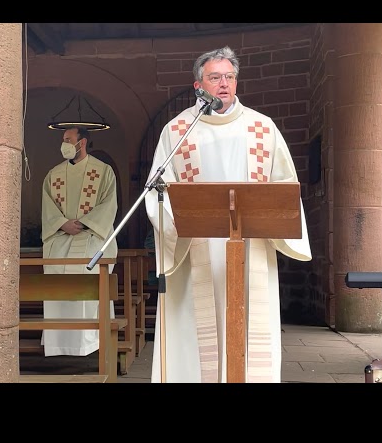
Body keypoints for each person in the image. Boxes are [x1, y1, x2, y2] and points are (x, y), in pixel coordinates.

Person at [144, 46, 312, 383]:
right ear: (198, 85)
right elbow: (158, 190)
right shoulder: (177, 132)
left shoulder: (262, 129)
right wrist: (178, 223)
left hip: (251, 249)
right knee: (197, 334)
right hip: (196, 250)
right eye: (215, 77)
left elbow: (285, 187)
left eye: (230, 77)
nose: (224, 84)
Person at [40, 126, 118, 357]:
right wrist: (62, 223)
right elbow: (47, 207)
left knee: (90, 291)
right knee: (58, 293)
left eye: (68, 139)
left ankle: (93, 346)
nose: (63, 144)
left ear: (81, 143)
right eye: (63, 139)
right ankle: (59, 346)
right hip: (61, 240)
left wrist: (84, 223)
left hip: (92, 239)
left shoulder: (103, 172)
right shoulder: (53, 175)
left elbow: (108, 204)